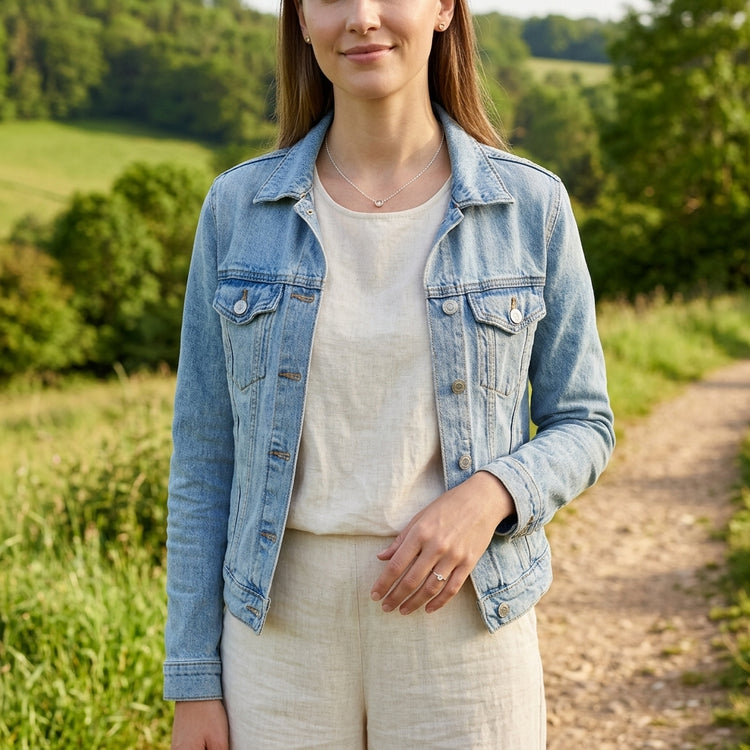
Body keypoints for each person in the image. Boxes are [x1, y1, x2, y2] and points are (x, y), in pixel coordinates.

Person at [163, 0, 615, 747]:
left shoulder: (530, 206)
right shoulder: (238, 208)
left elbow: (585, 422)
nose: (363, 18)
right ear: (302, 19)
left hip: (463, 630)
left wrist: (491, 495)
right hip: (277, 637)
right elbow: (203, 459)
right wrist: (193, 681)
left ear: (443, 8)